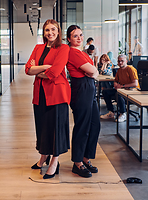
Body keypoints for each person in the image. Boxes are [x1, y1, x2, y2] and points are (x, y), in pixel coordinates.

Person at [25, 19, 71, 179]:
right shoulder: (38, 48)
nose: (50, 33)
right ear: (43, 33)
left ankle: (55, 161)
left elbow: (55, 72)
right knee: (42, 126)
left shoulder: (63, 48)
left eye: (53, 29)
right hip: (40, 94)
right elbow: (27, 69)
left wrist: (37, 71)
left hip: (57, 94)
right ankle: (43, 156)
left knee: (56, 128)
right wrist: (44, 68)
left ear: (58, 31)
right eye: (46, 30)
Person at [66, 25, 101, 178]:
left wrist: (92, 72)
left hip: (89, 88)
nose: (79, 38)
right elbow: (94, 71)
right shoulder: (72, 53)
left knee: (95, 125)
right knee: (82, 126)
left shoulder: (82, 53)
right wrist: (92, 72)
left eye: (81, 35)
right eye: (75, 36)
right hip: (81, 90)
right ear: (69, 39)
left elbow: (94, 70)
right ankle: (77, 162)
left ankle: (86, 157)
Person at [100, 54, 139, 122]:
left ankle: (123, 113)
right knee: (105, 92)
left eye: (122, 61)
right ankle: (111, 112)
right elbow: (116, 80)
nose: (120, 63)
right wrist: (115, 84)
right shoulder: (119, 70)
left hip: (132, 90)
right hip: (122, 89)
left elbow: (135, 84)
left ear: (126, 61)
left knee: (119, 94)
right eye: (119, 61)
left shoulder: (130, 69)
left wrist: (122, 86)